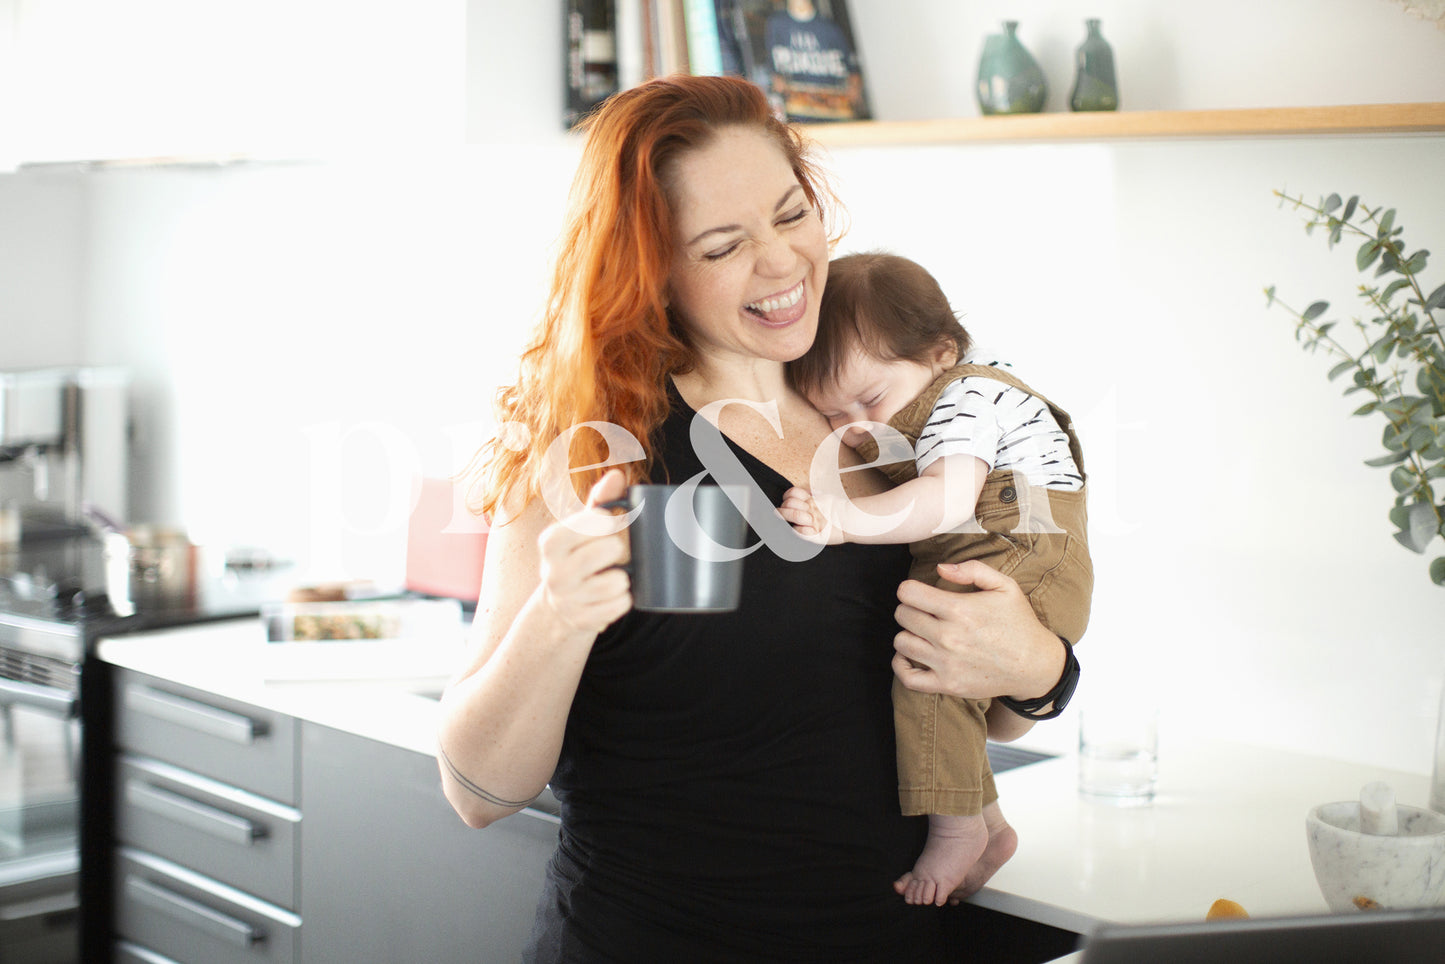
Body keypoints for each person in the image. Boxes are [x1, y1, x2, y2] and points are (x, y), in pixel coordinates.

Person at [435, 74, 1074, 963]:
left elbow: (991, 712)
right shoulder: (601, 453)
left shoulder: (890, 421)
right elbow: (477, 794)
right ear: (651, 270)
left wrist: (1042, 666)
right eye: (723, 245)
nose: (780, 262)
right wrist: (556, 616)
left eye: (790, 213)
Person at [779, 251, 1093, 907]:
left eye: (870, 400)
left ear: (940, 353)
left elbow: (947, 500)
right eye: (831, 413)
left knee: (929, 669)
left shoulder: (965, 398)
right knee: (946, 682)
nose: (856, 428)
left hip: (1022, 542)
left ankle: (957, 830)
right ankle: (988, 826)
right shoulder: (925, 388)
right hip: (999, 543)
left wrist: (842, 520)